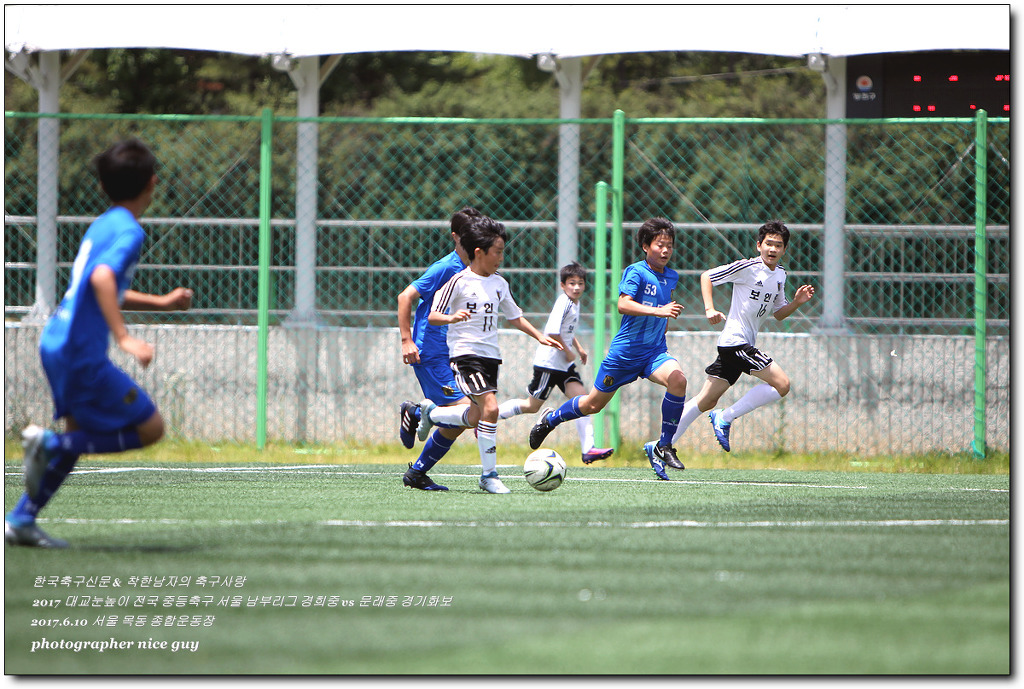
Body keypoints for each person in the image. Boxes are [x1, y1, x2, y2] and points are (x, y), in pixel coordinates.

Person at [5, 138, 194, 548]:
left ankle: (21, 518)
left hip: (57, 340)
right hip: (81, 350)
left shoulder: (104, 223)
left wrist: (161, 303)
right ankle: (50, 443)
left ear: (103, 187)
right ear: (152, 182)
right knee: (151, 428)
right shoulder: (130, 231)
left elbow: (102, 285)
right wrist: (124, 338)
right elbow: (103, 278)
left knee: (79, 434)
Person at [528, 217, 689, 481]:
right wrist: (659, 311)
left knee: (678, 380)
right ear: (645, 246)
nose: (666, 250)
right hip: (625, 354)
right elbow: (623, 304)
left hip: (654, 352)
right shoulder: (636, 272)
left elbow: (666, 307)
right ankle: (550, 420)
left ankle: (664, 445)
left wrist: (664, 322)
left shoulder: (672, 276)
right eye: (660, 245)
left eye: (669, 245)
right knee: (593, 404)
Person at [429, 216, 563, 493]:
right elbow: (433, 316)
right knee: (490, 409)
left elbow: (515, 317)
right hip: (465, 356)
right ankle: (489, 475)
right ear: (479, 252)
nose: (501, 258)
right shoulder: (458, 282)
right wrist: (451, 317)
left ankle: (428, 414)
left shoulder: (499, 283)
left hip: (490, 358)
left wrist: (539, 336)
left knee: (477, 416)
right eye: (498, 252)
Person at [670, 220, 815, 453]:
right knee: (782, 384)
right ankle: (725, 417)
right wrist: (709, 308)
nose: (772, 249)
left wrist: (797, 302)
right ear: (759, 245)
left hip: (740, 345)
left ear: (784, 250)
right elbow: (707, 276)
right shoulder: (747, 267)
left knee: (706, 400)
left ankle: (662, 444)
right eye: (768, 244)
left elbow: (779, 314)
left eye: (778, 245)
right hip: (734, 343)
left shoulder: (780, 275)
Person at [396, 207, 482, 491]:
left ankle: (417, 472)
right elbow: (405, 297)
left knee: (461, 419)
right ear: (456, 237)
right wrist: (406, 341)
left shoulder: (474, 269)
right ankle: (417, 414)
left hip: (453, 353)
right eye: (469, 233)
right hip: (430, 353)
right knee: (469, 411)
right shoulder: (445, 267)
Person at [496, 261, 614, 465]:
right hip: (549, 363)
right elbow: (552, 331)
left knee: (583, 401)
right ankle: (489, 417)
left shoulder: (575, 303)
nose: (576, 287)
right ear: (562, 285)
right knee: (531, 406)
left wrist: (578, 348)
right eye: (572, 283)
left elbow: (566, 330)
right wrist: (568, 352)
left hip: (563, 365)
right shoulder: (564, 302)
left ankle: (588, 449)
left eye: (580, 283)